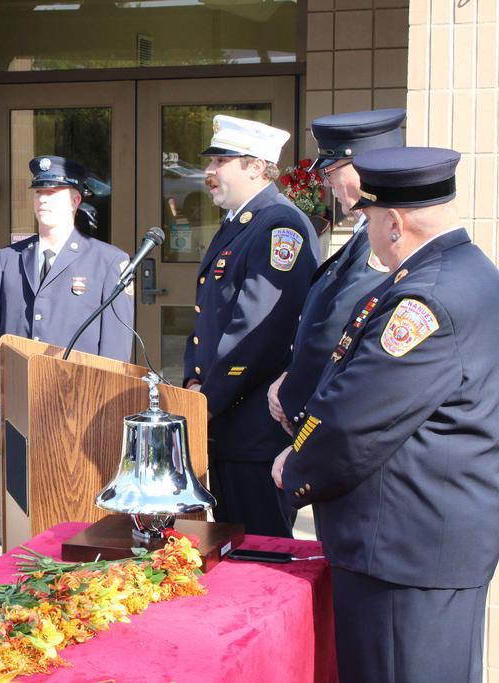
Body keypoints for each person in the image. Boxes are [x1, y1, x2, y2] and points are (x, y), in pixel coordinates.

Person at [274, 147, 499, 683]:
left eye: (370, 219)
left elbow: (355, 422)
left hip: (403, 551)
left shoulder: (425, 301)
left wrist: (295, 466)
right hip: (425, 539)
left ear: (394, 222)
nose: (370, 233)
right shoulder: (467, 271)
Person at [183, 115, 318, 537]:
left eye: (221, 160)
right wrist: (192, 380)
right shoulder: (241, 223)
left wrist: (206, 400)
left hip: (254, 429)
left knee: (260, 556)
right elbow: (208, 317)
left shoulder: (279, 224)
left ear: (256, 165)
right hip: (228, 423)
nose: (209, 172)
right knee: (232, 550)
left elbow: (258, 332)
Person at [268, 109, 405, 435]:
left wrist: (292, 392)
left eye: (331, 171)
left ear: (363, 167)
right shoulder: (364, 229)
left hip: (335, 410)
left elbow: (338, 326)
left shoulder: (382, 234)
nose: (327, 182)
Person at [0, 155, 134, 431]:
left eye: (53, 193)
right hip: (20, 401)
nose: (43, 200)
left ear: (75, 201)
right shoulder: (9, 258)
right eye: (39, 193)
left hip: (80, 405)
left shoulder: (107, 261)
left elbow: (115, 346)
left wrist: (110, 402)